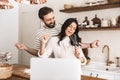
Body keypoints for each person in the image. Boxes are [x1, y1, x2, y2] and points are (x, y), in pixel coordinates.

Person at [15, 6, 100, 57]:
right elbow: (38, 52)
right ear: (42, 20)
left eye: (53, 18)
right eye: (48, 20)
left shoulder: (61, 28)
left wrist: (90, 45)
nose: (52, 21)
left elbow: (74, 44)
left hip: (60, 62)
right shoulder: (39, 33)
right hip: (45, 64)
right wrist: (26, 48)